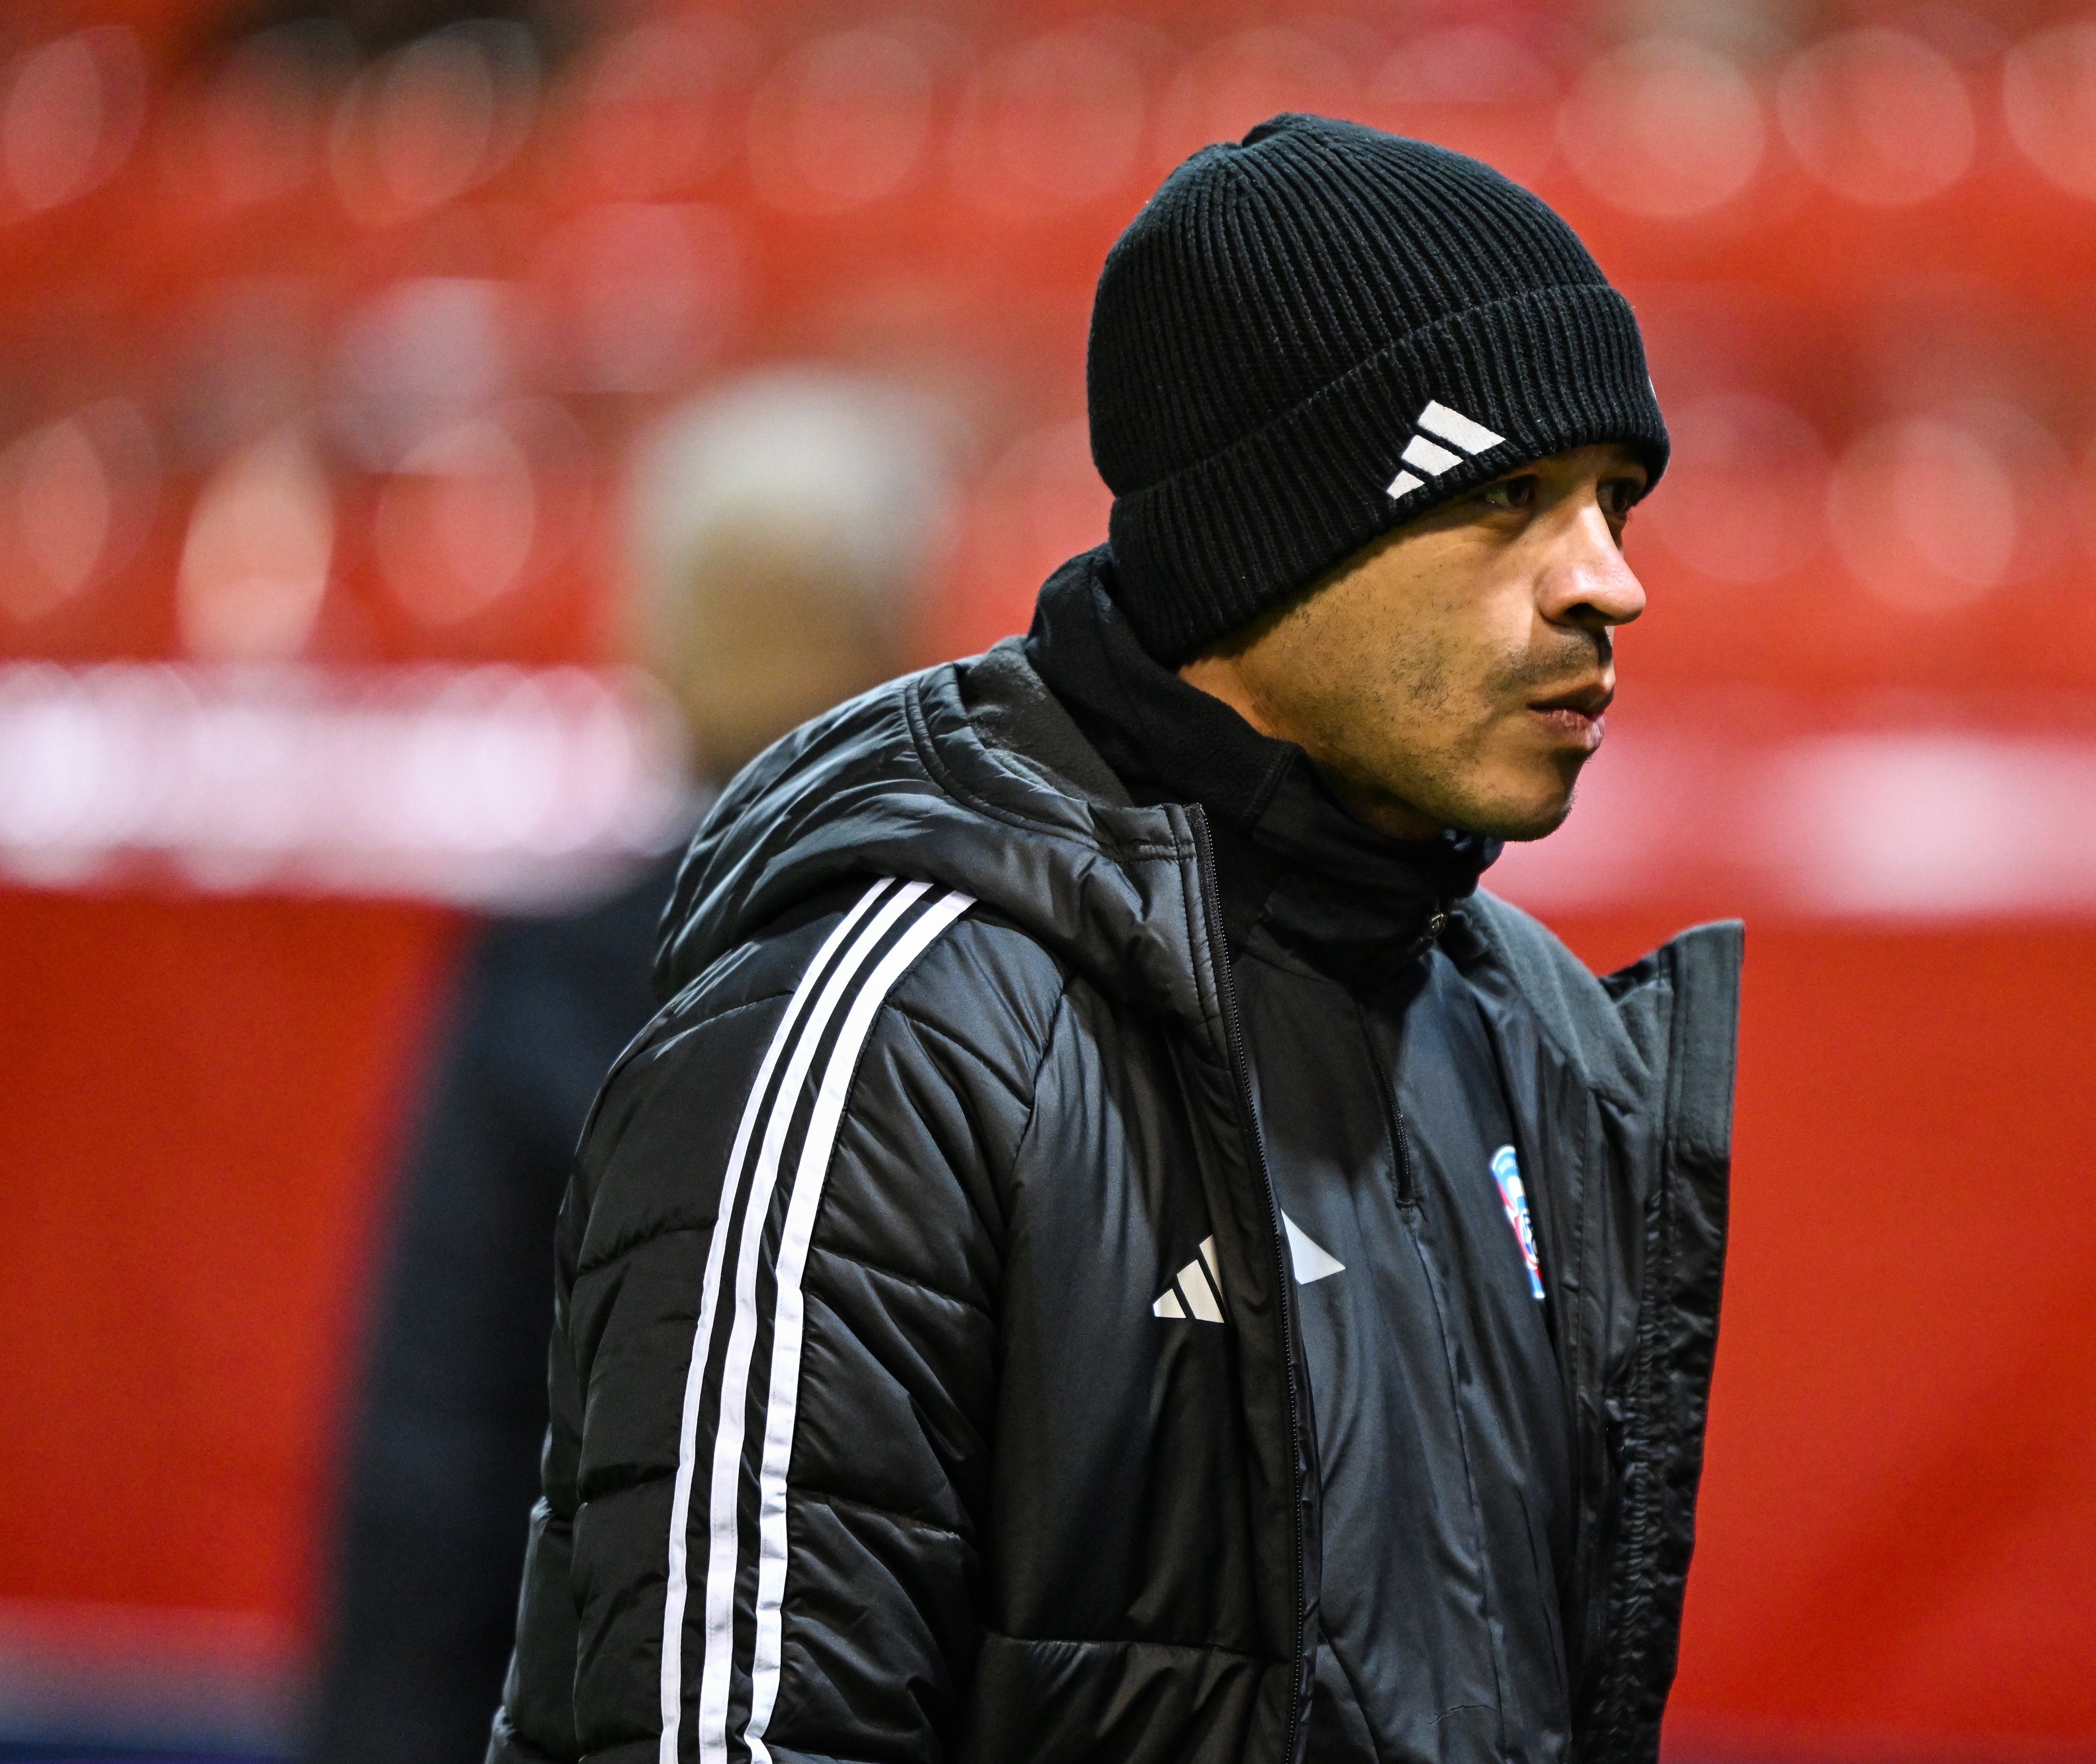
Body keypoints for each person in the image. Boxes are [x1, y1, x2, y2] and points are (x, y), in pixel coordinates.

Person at [486, 115, 1741, 1764]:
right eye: (1512, 492)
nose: (1609, 583)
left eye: (1615, 503)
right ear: (1270, 531)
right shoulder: (889, 1032)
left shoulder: (1545, 1049)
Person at [311, 370, 944, 1764]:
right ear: (900, 638)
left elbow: (434, 1477)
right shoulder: (1007, 979)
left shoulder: (541, 986)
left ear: (653, 641)